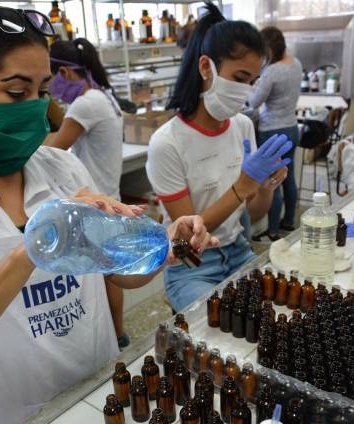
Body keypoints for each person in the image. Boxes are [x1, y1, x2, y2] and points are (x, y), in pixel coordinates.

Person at [0, 6, 217, 423]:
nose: (35, 109)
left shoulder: (62, 169)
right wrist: (30, 250)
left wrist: (164, 246)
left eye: (41, 92)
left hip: (101, 394)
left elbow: (116, 272)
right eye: (17, 93)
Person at [146, 3, 293, 312]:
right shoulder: (167, 143)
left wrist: (265, 185)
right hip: (192, 263)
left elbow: (252, 214)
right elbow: (189, 237)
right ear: (205, 68)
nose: (247, 92)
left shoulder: (242, 126)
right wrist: (243, 185)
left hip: (238, 251)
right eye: (239, 77)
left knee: (278, 310)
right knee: (221, 325)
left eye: (252, 81)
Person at [45, 39, 129, 348]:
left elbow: (55, 148)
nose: (50, 89)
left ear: (64, 72)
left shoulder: (85, 104)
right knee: (110, 271)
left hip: (95, 200)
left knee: (105, 275)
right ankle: (118, 333)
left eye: (48, 80)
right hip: (108, 191)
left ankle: (115, 335)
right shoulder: (103, 96)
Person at [249, 26, 302, 241]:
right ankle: (288, 222)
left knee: (272, 182)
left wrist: (253, 86)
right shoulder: (296, 63)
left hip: (272, 131)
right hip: (291, 127)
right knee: (288, 178)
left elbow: (254, 103)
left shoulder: (271, 72)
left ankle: (272, 230)